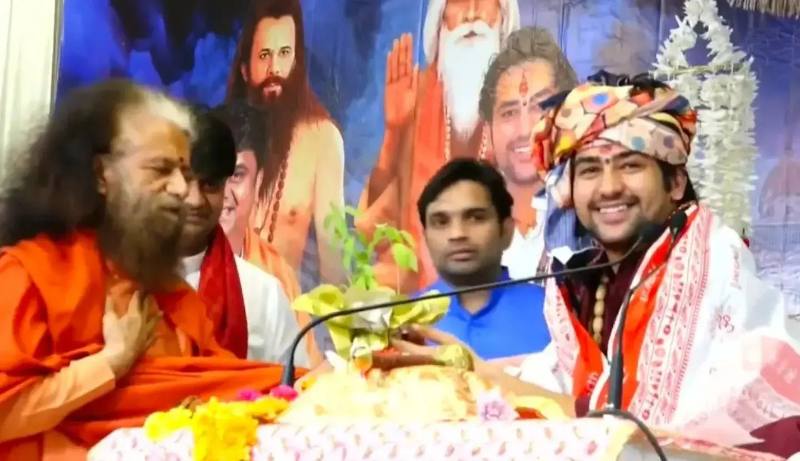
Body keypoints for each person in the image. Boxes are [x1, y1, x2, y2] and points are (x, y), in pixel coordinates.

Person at [394, 75, 800, 457]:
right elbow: (553, 393)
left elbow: (647, 434)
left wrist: (486, 377)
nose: (608, 188)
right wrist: (468, 373)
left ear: (676, 183)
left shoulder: (710, 267)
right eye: (589, 169)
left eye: (630, 164)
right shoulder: (585, 286)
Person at [0, 80, 294, 460]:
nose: (182, 189)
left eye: (185, 172)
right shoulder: (27, 275)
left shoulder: (175, 298)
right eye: (161, 169)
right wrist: (111, 363)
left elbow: (227, 390)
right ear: (101, 174)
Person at [357, 0, 521, 293]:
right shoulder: (415, 94)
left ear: (503, 14)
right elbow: (371, 230)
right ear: (440, 19)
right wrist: (395, 130)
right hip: (418, 294)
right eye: (458, 2)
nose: (471, 14)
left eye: (484, 1)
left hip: (501, 288)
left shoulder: (523, 102)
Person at [226, 0, 344, 291]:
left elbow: (334, 271)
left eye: (284, 53)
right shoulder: (222, 137)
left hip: (287, 312)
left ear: (296, 63)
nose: (274, 68)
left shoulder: (323, 140)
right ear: (245, 69)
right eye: (264, 55)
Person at [178, 109, 308, 366]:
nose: (195, 200)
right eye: (184, 182)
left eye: (210, 185)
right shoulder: (123, 282)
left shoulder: (264, 293)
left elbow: (296, 384)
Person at [213, 102, 323, 366]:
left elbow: (304, 373)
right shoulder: (169, 266)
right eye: (215, 175)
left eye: (237, 175)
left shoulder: (276, 275)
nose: (224, 192)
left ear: (259, 181)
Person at [416, 159, 549, 360]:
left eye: (475, 218)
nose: (457, 234)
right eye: (441, 222)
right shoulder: (402, 321)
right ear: (425, 236)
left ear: (506, 231)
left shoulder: (552, 313)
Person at [478, 26, 578, 278]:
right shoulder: (468, 225)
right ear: (488, 130)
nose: (524, 130)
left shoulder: (593, 219)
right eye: (509, 113)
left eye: (540, 108)